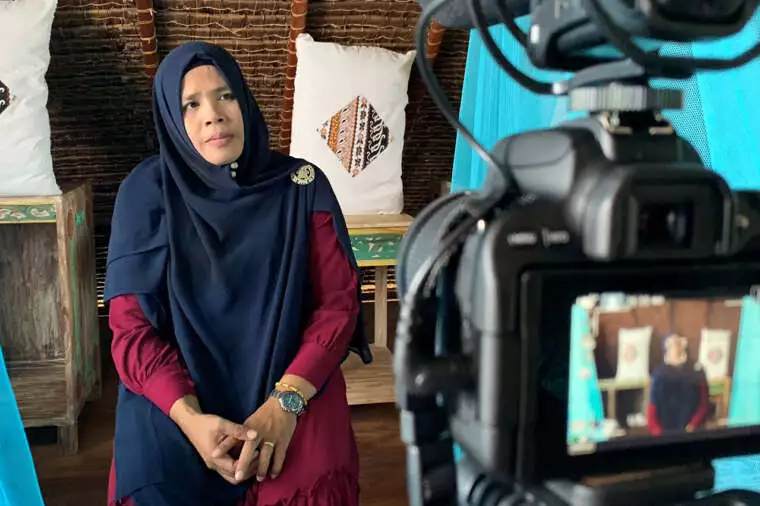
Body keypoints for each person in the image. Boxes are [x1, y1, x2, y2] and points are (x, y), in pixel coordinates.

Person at [104, 41, 372, 506]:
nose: (213, 115)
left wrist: (286, 404)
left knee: (309, 490)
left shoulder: (301, 186)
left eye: (225, 95)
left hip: (289, 379)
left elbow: (338, 306)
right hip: (177, 389)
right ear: (171, 118)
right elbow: (131, 329)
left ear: (244, 101)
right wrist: (189, 419)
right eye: (191, 104)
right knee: (156, 486)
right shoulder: (145, 191)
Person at [647, 333, 709, 435]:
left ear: (683, 345)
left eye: (677, 343)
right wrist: (658, 432)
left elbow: (704, 403)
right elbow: (652, 407)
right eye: (671, 344)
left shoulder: (697, 370)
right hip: (665, 432)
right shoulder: (659, 373)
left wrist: (693, 425)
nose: (674, 347)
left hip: (691, 431)